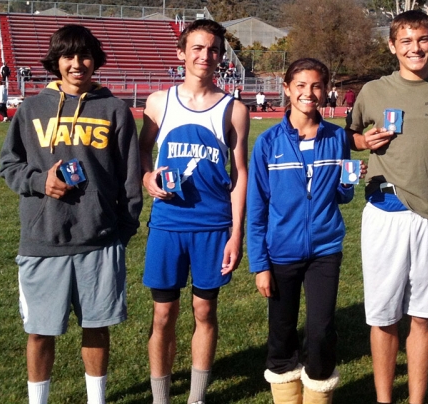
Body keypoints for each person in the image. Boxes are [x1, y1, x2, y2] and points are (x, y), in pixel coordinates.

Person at [0, 24, 142, 404]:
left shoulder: (115, 109)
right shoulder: (31, 109)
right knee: (40, 331)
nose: (77, 63)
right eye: (68, 56)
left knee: (97, 327)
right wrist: (38, 182)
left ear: (95, 59)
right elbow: (9, 164)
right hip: (43, 238)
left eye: (84, 55)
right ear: (55, 61)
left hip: (99, 239)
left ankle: (97, 400)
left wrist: (121, 228)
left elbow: (129, 176)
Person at [345, 10, 428, 404]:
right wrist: (364, 142)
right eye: (406, 41)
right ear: (392, 46)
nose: (415, 48)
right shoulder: (373, 90)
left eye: (422, 40)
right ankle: (385, 399)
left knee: (423, 316)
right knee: (384, 315)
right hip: (385, 208)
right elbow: (350, 135)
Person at [139, 19, 249, 404]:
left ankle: (197, 398)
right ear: (182, 53)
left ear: (222, 57)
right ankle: (160, 398)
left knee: (205, 311)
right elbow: (141, 152)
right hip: (168, 225)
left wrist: (237, 233)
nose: (206, 56)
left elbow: (239, 175)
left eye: (214, 49)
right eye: (198, 48)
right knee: (163, 315)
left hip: (213, 226)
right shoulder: (158, 103)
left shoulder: (233, 109)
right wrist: (146, 177)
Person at [248, 57, 362, 404]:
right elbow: (257, 207)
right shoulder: (268, 143)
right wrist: (259, 264)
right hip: (281, 251)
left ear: (326, 89)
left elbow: (342, 195)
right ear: (286, 89)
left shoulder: (337, 137)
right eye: (300, 85)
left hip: (325, 250)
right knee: (282, 333)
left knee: (322, 332)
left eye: (316, 86)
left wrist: (349, 181)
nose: (308, 93)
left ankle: (318, 394)